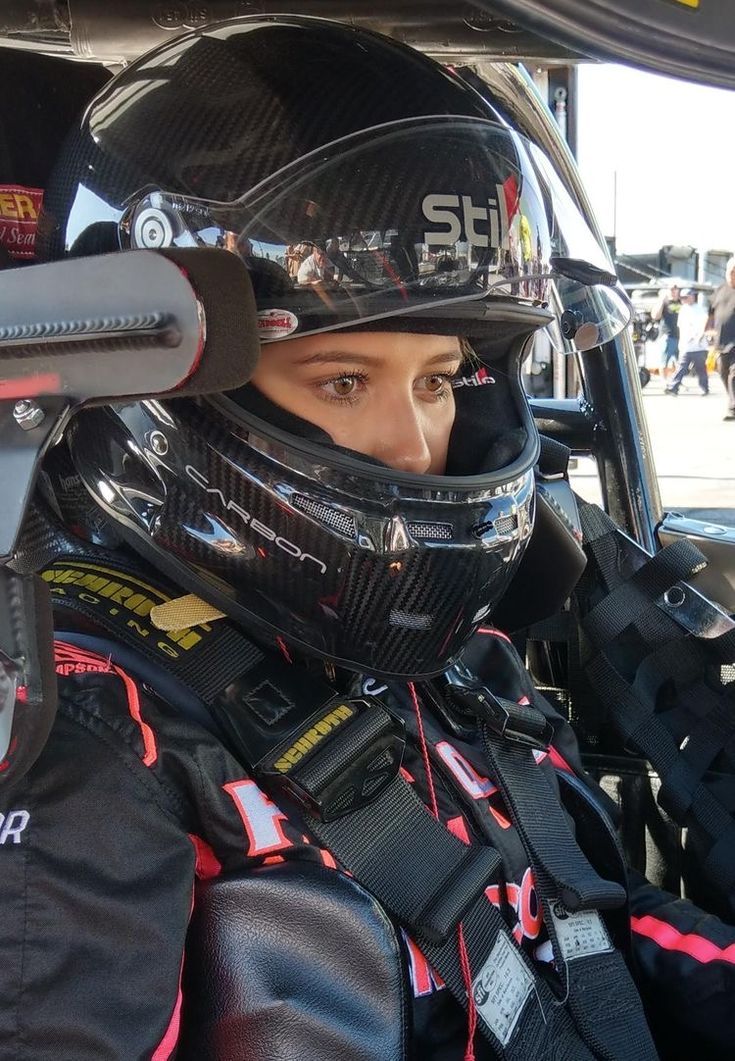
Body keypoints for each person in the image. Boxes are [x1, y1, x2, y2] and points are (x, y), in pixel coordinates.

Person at [3, 16, 735, 1061]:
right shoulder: (91, 730)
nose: (416, 443)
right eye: (344, 380)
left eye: (438, 379)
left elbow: (594, 929)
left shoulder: (461, 661)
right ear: (163, 390)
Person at [664, 288, 710, 395]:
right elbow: (681, 327)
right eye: (683, 297)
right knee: (681, 367)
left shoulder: (700, 309)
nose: (684, 299)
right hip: (686, 345)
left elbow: (704, 323)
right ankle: (673, 387)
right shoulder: (683, 309)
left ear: (692, 297)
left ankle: (705, 388)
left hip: (699, 345)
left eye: (687, 297)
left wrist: (699, 336)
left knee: (700, 369)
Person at [708, 257, 735, 420]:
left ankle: (732, 407)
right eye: (731, 272)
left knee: (734, 372)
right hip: (722, 342)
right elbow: (711, 314)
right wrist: (706, 331)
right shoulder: (719, 290)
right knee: (723, 372)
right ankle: (733, 401)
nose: (733, 275)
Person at [651, 280, 682, 377]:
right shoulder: (665, 302)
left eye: (675, 289)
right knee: (664, 361)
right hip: (667, 335)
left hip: (680, 335)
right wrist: (661, 300)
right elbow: (655, 316)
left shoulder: (681, 302)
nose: (674, 291)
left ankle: (675, 381)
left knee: (679, 361)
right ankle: (664, 381)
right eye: (671, 289)